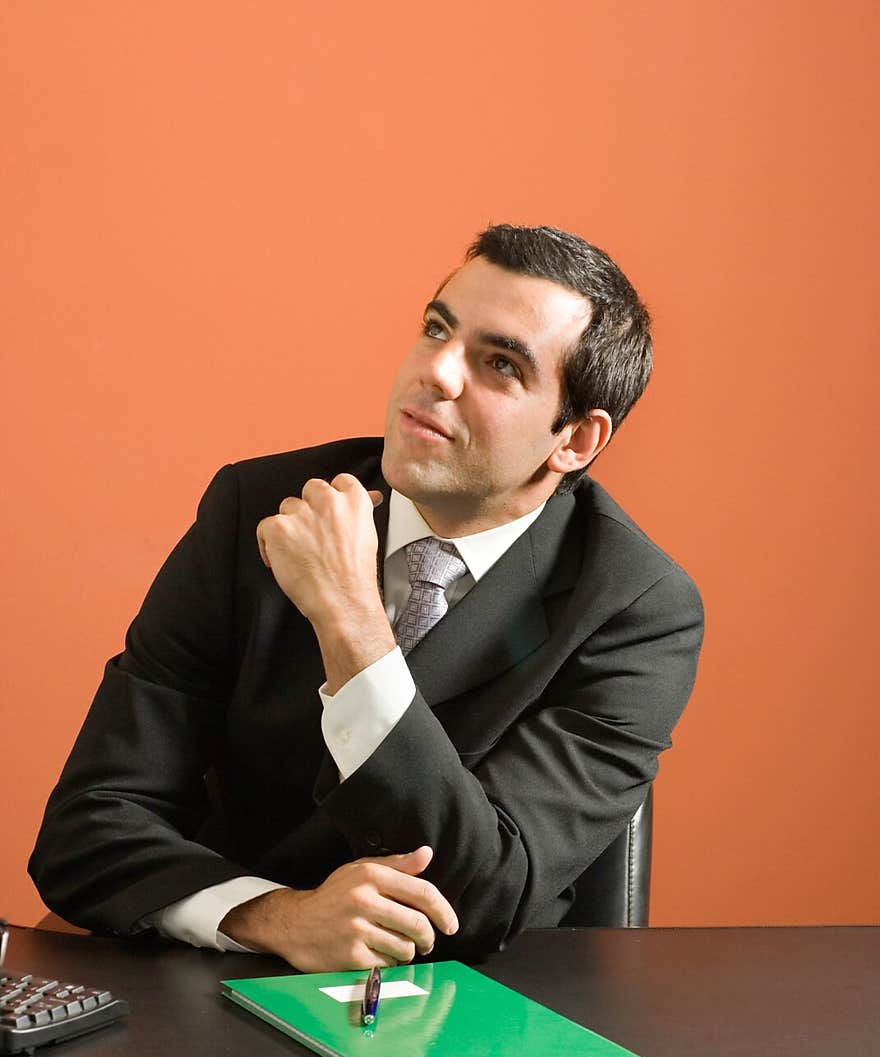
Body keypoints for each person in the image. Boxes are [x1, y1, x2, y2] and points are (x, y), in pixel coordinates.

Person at [29, 223, 704, 971]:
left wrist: (352, 623)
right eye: (436, 329)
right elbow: (84, 828)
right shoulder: (255, 506)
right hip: (219, 985)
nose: (438, 372)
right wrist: (275, 916)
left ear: (574, 441)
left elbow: (484, 895)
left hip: (480, 1017)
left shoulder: (636, 607)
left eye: (501, 364)